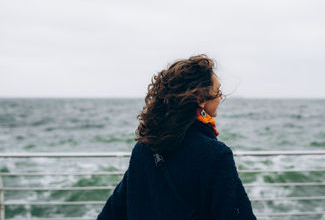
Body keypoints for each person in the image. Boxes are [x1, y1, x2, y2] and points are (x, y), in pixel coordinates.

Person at [97, 55, 256, 220]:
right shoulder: (215, 154)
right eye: (218, 92)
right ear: (200, 99)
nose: (220, 97)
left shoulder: (145, 147)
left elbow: (112, 213)